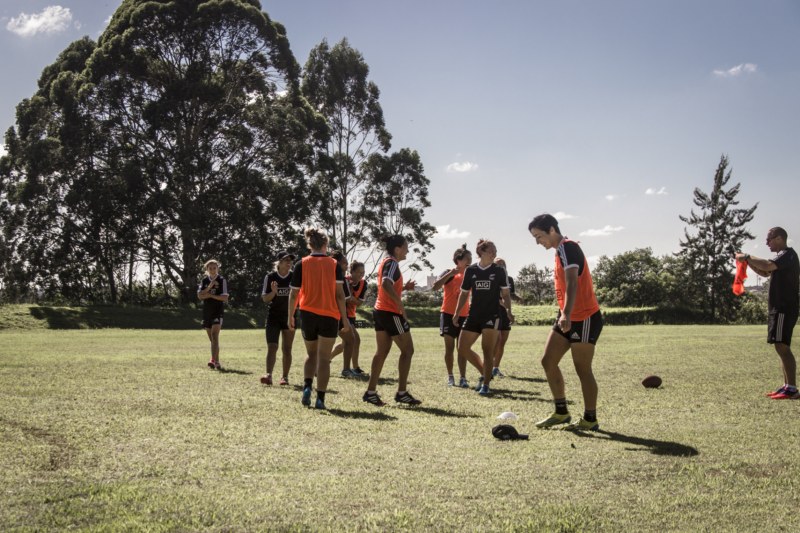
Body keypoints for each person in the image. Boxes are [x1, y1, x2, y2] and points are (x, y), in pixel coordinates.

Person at [528, 214, 603, 430]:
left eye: (539, 236)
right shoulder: (558, 252)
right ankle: (561, 413)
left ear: (552, 230)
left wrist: (567, 313)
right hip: (567, 316)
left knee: (582, 369)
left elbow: (572, 283)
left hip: (584, 317)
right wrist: (564, 313)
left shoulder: (568, 247)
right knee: (548, 361)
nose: (537, 241)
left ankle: (590, 419)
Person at [287, 228, 349, 410]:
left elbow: (293, 294)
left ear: (309, 245)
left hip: (307, 314)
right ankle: (320, 398)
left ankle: (307, 387)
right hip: (329, 315)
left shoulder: (301, 264)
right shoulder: (334, 265)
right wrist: (345, 320)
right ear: (325, 244)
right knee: (323, 359)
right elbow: (339, 295)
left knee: (311, 354)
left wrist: (290, 315)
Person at [736, 227, 800, 400]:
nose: (766, 242)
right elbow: (765, 272)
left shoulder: (788, 254)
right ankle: (787, 386)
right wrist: (747, 263)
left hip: (784, 307)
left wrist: (748, 257)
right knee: (780, 346)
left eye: (769, 239)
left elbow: (767, 265)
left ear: (779, 238)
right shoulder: (783, 257)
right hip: (779, 308)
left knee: (782, 346)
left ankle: (792, 389)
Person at [363, 235, 422, 406]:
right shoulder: (392, 263)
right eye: (406, 247)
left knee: (381, 352)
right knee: (408, 350)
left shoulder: (387, 262)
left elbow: (388, 285)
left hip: (381, 311)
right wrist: (401, 306)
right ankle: (402, 393)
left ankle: (370, 392)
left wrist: (403, 288)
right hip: (390, 313)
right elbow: (385, 285)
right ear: (397, 249)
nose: (408, 251)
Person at [452, 240, 514, 396]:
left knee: (487, 351)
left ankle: (486, 385)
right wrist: (457, 312)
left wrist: (508, 310)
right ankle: (484, 372)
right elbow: (464, 293)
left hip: (492, 315)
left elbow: (506, 294)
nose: (494, 253)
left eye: (495, 250)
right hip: (473, 315)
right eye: (491, 251)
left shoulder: (499, 271)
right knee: (462, 348)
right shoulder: (471, 271)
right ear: (481, 252)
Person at [432, 244, 472, 387]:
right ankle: (450, 376)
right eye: (468, 259)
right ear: (458, 260)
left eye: (471, 259)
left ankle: (463, 378)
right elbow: (435, 287)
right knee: (449, 348)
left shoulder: (470, 274)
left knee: (462, 348)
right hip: (448, 315)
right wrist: (450, 274)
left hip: (464, 315)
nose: (470, 261)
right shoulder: (448, 272)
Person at [260, 251, 297, 386]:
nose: (289, 262)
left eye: (290, 260)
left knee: (287, 349)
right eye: (286, 260)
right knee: (272, 347)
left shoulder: (294, 277)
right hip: (273, 317)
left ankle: (284, 377)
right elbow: (265, 298)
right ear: (279, 263)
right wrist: (273, 292)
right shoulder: (270, 277)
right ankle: (268, 375)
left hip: (290, 317)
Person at [332, 260, 369, 378]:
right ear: (351, 272)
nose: (361, 275)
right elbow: (345, 299)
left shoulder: (364, 284)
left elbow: (358, 303)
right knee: (355, 339)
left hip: (351, 315)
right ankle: (354, 368)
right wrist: (350, 299)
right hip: (342, 315)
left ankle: (325, 361)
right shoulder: (344, 280)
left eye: (363, 272)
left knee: (345, 344)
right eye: (358, 272)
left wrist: (350, 298)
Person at [197, 259, 229, 370]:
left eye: (214, 268)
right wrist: (210, 287)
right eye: (210, 268)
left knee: (215, 336)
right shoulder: (204, 280)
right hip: (207, 312)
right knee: (212, 340)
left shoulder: (222, 280)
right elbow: (200, 296)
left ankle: (212, 360)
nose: (212, 270)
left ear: (217, 268)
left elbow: (224, 298)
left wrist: (210, 295)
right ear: (207, 269)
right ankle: (217, 362)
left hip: (217, 311)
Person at [492, 257, 520, 378]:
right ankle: (488, 364)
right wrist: (507, 308)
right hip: (495, 312)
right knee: (496, 340)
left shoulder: (509, 280)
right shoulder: (492, 278)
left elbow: (509, 295)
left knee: (502, 342)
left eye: (503, 264)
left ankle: (495, 368)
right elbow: (496, 298)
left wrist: (518, 299)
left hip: (506, 313)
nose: (502, 266)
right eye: (499, 264)